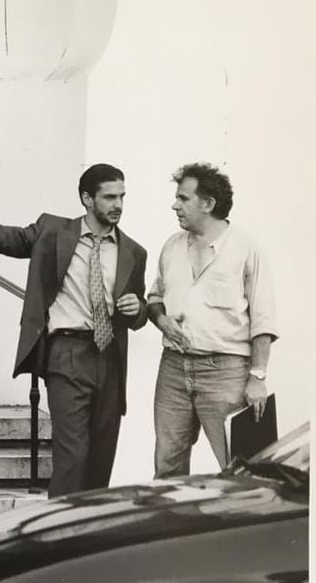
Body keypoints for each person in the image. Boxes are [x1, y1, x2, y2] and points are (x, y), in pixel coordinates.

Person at [0, 164, 147, 497]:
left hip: (110, 359)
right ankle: (57, 535)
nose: (119, 204)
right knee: (72, 456)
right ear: (87, 198)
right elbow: (1, 237)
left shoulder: (133, 252)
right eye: (110, 197)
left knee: (101, 460)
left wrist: (137, 309)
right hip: (66, 355)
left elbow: (137, 311)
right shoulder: (53, 231)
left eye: (122, 197)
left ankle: (90, 538)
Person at [148, 163, 278, 478]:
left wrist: (257, 377)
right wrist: (162, 321)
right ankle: (173, 527)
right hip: (174, 370)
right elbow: (155, 298)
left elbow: (263, 319)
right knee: (167, 468)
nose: (174, 205)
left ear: (208, 204)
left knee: (246, 472)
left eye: (183, 198)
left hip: (227, 373)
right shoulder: (171, 245)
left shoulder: (246, 247)